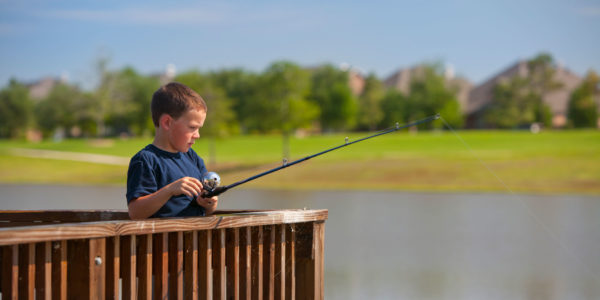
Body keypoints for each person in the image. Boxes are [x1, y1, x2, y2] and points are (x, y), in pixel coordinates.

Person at [126, 82, 218, 219]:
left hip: (195, 238)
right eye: (192, 127)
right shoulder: (146, 160)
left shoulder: (193, 158)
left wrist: (209, 203)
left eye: (199, 129)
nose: (197, 135)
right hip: (163, 240)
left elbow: (208, 211)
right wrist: (170, 190)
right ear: (167, 123)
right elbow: (135, 212)